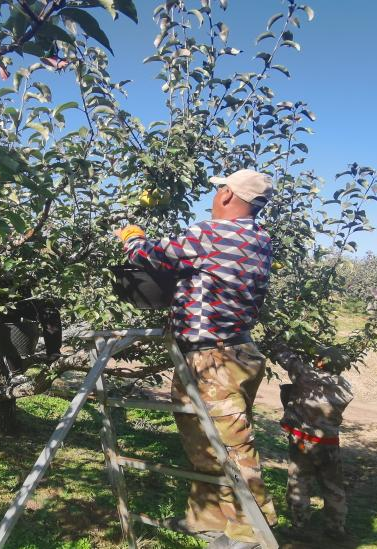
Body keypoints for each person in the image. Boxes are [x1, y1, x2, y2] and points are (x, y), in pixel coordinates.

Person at [115, 169, 275, 549]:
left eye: (220, 188)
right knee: (202, 439)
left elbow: (150, 256)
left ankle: (253, 532)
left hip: (212, 358)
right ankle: (210, 520)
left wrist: (131, 236)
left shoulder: (210, 234)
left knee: (230, 445)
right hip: (232, 350)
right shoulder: (259, 239)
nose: (215, 194)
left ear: (226, 195)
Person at [271, 344, 353, 540]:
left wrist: (277, 342)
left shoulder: (307, 376)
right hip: (329, 443)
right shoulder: (345, 387)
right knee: (333, 486)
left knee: (299, 482)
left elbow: (287, 359)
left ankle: (300, 526)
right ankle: (336, 528)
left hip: (303, 441)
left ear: (321, 362)